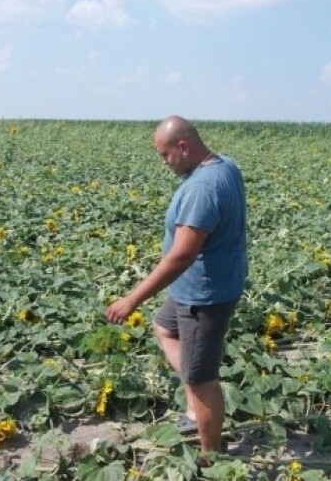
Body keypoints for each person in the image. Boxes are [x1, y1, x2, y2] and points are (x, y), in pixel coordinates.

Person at [106, 115, 248, 454]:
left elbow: (181, 256)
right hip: (200, 285)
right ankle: (192, 408)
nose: (164, 163)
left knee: (202, 379)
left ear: (183, 147)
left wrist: (131, 299)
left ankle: (212, 459)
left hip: (203, 294)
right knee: (165, 328)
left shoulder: (202, 187)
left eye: (165, 155)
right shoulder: (226, 165)